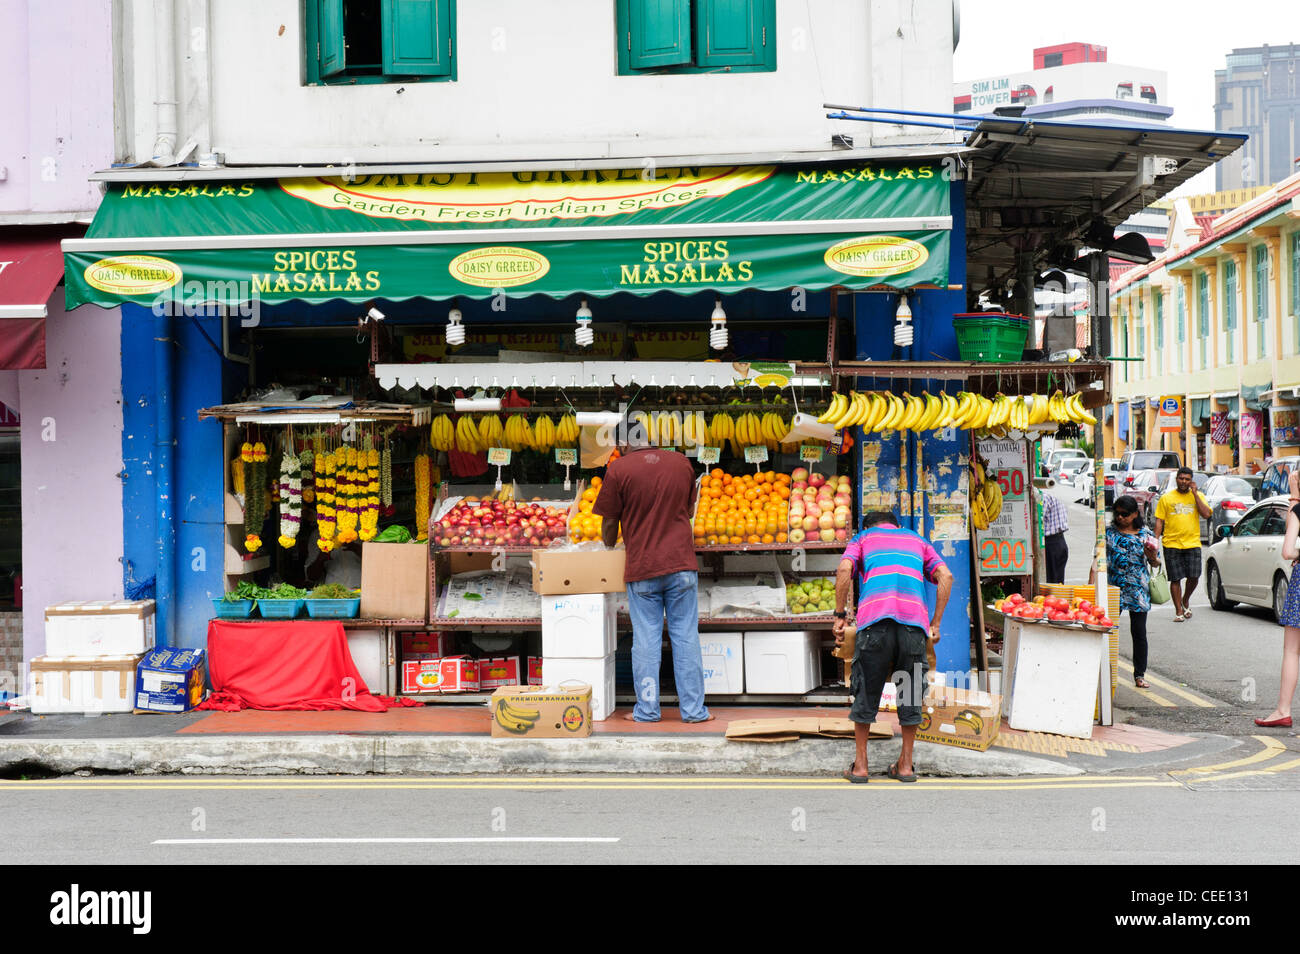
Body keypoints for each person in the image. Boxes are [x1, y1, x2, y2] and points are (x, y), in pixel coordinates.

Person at [593, 436, 711, 724]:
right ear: (652, 440)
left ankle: (647, 711)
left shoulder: (619, 470)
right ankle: (694, 712)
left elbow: (609, 522)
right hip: (681, 565)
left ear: (623, 442)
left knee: (646, 640)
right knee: (685, 636)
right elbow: (690, 510)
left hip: (643, 567)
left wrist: (609, 546)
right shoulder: (682, 463)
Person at [833, 511, 953, 783]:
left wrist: (840, 616)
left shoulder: (862, 538)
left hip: (874, 625)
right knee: (910, 695)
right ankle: (906, 766)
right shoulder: (916, 539)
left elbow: (843, 570)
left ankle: (861, 767)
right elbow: (945, 577)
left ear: (867, 528)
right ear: (897, 526)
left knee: (866, 692)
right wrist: (935, 624)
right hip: (913, 628)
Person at [1094, 495, 1161, 689]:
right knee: (1106, 630)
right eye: (1117, 514)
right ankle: (1101, 670)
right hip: (1113, 589)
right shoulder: (1107, 533)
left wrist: (1152, 558)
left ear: (1134, 514)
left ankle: (1139, 674)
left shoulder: (1146, 534)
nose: (1120, 518)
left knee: (1139, 633)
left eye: (1124, 514)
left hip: (1138, 590)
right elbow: (1096, 562)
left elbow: (1156, 563)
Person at [1255, 470, 1300, 727]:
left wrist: (1294, 498)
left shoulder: (1298, 510)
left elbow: (1287, 551)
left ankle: (1283, 710)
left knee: (1292, 650)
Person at [1154, 466, 1212, 622]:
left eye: (1187, 479)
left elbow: (1206, 514)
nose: (1183, 482)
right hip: (1171, 543)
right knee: (1176, 579)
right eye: (1181, 478)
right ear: (1176, 479)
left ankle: (1185, 599)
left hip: (1192, 543)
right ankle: (1179, 610)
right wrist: (1155, 540)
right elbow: (1160, 520)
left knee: (1194, 576)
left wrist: (1195, 494)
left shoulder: (1197, 496)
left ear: (1191, 481)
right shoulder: (1166, 498)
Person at [1041, 491, 1069, 584]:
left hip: (1051, 543)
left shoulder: (1044, 497)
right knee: (1057, 579)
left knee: (1051, 580)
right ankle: (1058, 598)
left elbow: (1038, 518)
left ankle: (1055, 598)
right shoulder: (1054, 496)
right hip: (1059, 541)